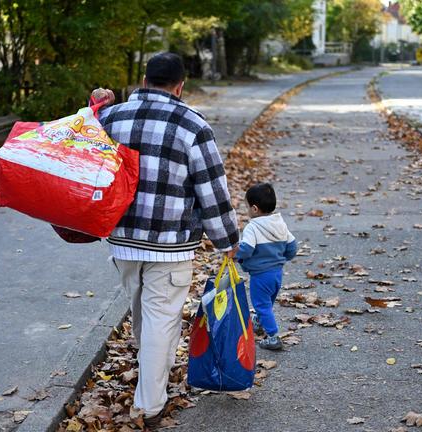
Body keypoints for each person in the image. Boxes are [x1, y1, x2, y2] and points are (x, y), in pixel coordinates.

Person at [93, 52, 239, 428]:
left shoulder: (112, 117)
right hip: (170, 245)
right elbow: (212, 189)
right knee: (161, 318)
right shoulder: (193, 126)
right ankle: (150, 403)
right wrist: (227, 239)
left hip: (122, 239)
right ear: (180, 86)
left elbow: (83, 153)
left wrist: (95, 105)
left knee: (144, 312)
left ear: (143, 81)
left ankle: (152, 370)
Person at [234, 183, 297, 351]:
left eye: (246, 206)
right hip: (277, 274)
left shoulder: (252, 227)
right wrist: (283, 258)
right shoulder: (280, 223)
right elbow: (292, 246)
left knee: (262, 305)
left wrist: (235, 255)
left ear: (254, 209)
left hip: (260, 276)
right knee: (267, 303)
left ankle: (273, 336)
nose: (246, 210)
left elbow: (246, 249)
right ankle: (259, 322)